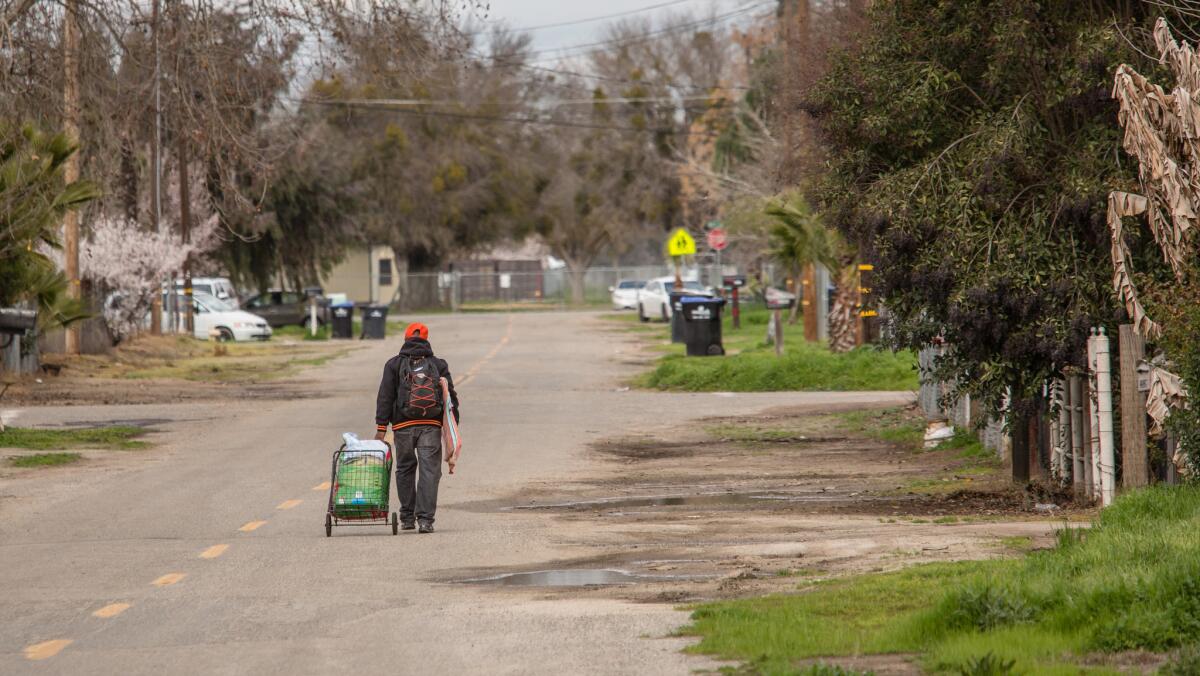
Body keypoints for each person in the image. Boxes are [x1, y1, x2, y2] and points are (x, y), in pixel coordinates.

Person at [374, 322, 460, 533]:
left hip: (402, 426)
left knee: (405, 469)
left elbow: (385, 397)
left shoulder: (393, 365)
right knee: (429, 471)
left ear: (405, 339)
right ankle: (425, 520)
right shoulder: (438, 364)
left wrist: (381, 427)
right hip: (430, 424)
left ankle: (407, 517)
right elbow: (451, 396)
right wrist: (453, 424)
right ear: (427, 339)